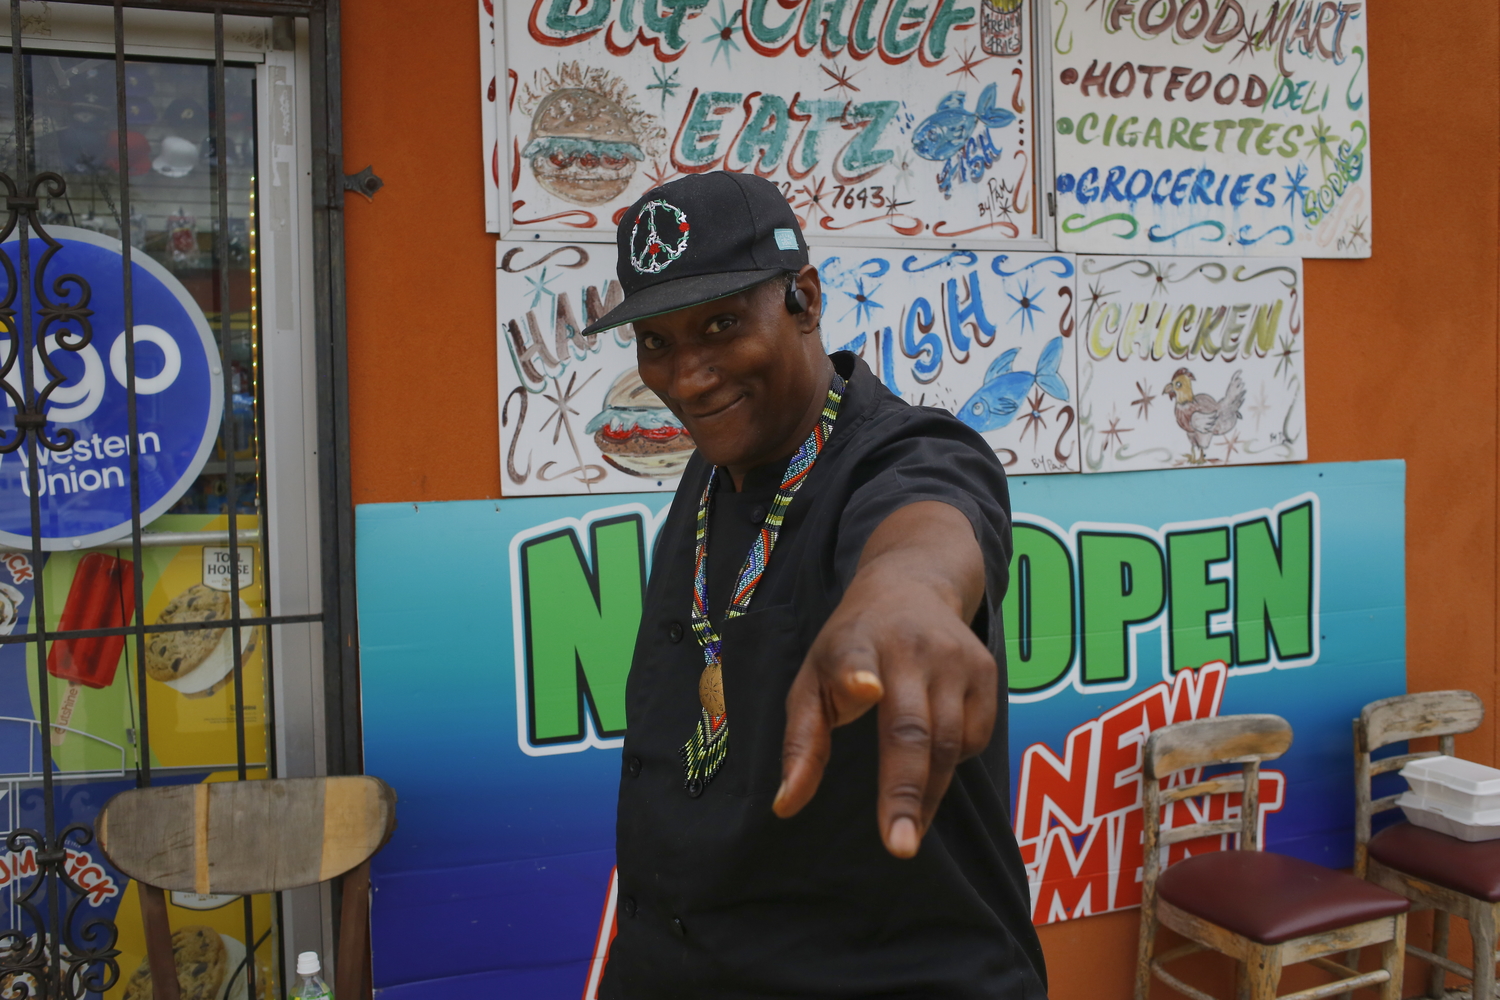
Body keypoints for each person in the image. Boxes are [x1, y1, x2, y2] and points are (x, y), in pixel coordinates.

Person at [582, 171, 1047, 999]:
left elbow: (929, 531)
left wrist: (902, 602)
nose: (687, 378)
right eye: (657, 341)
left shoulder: (906, 453)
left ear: (803, 298)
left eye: (721, 325)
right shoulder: (713, 472)